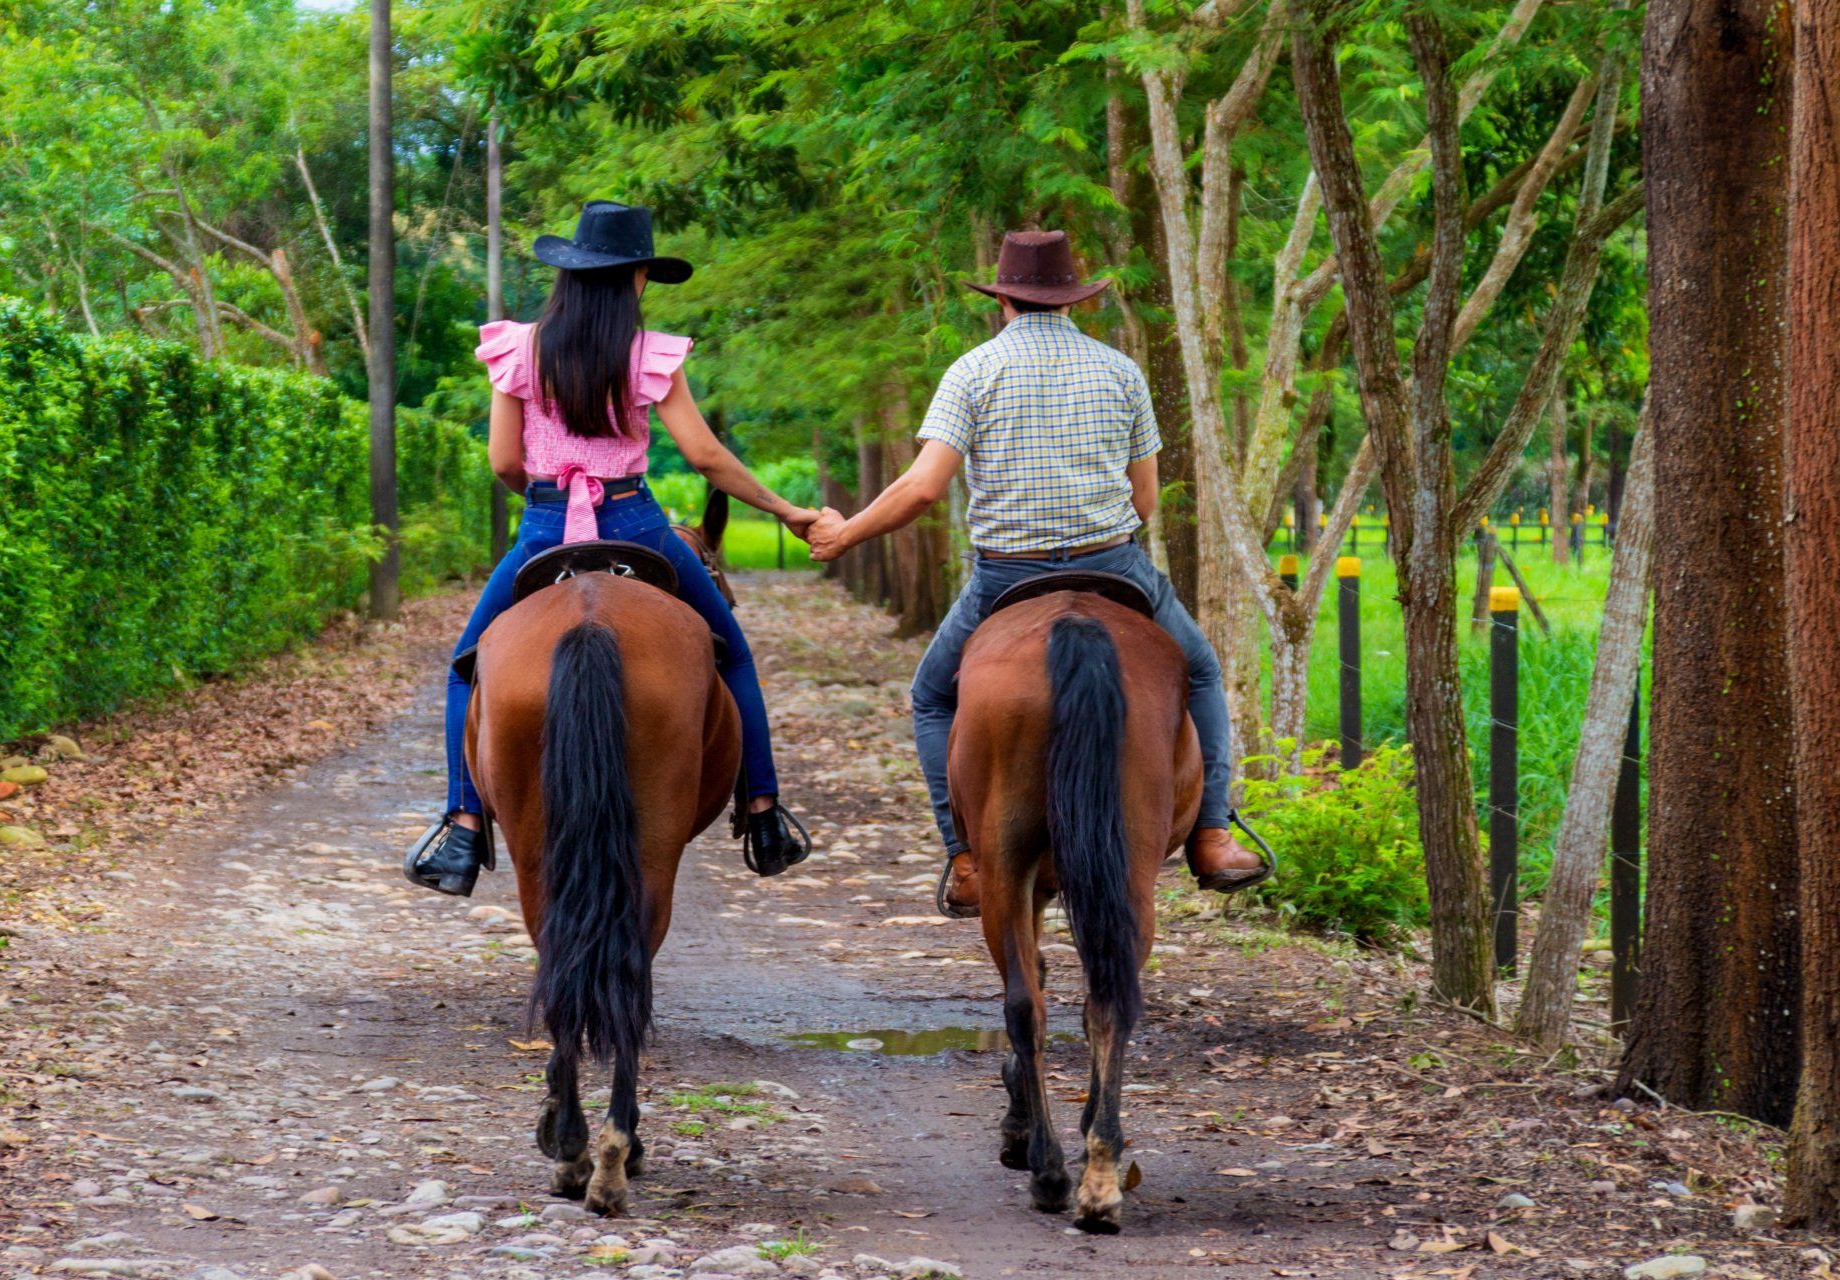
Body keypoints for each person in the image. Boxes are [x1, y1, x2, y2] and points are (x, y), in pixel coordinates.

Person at [807, 230, 1266, 919]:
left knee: (932, 695)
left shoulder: (972, 371)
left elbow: (924, 488)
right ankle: (1211, 835)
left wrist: (846, 533)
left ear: (1003, 300)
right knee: (1199, 671)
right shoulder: (1120, 371)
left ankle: (966, 858)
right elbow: (1144, 500)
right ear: (1072, 299)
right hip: (1113, 565)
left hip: (1005, 577)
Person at [408, 200, 812, 897]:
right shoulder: (651, 354)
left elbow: (504, 461)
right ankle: (763, 812)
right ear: (636, 278)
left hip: (544, 527)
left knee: (465, 667)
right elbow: (705, 456)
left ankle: (464, 826)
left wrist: (547, 500)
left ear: (569, 272)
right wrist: (785, 509)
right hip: (637, 523)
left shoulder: (518, 350)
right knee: (733, 654)